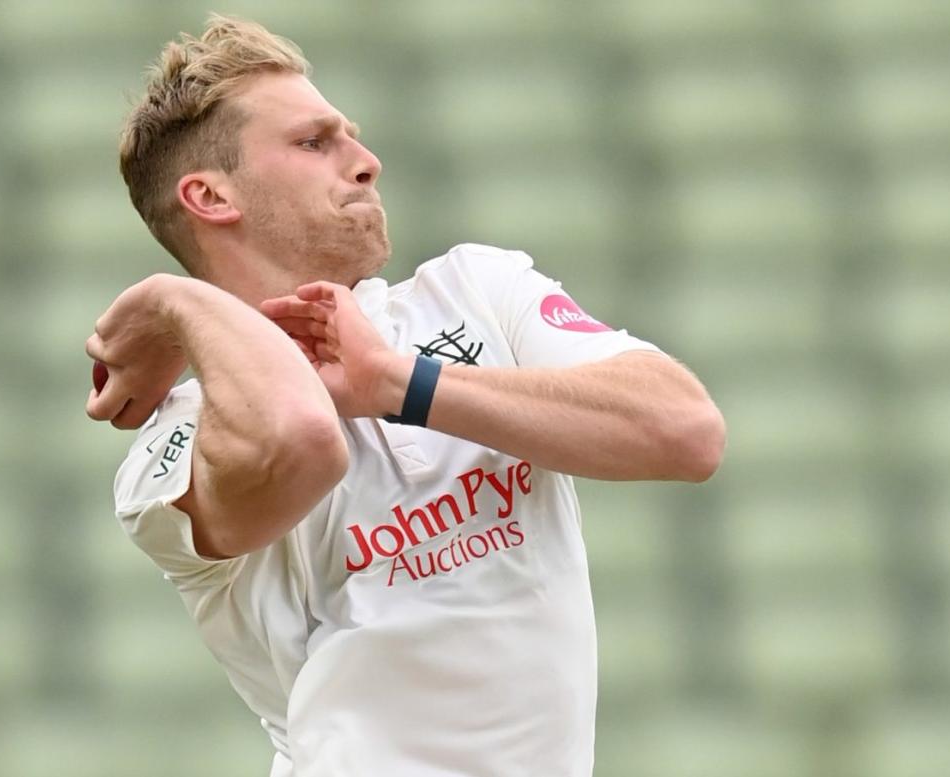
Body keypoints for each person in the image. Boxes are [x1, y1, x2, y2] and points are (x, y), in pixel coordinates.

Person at [85, 14, 725, 777]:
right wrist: (176, 305)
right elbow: (301, 443)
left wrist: (400, 384)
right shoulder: (175, 445)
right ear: (211, 197)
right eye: (314, 142)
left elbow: (686, 431)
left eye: (349, 136)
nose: (366, 162)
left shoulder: (474, 291)